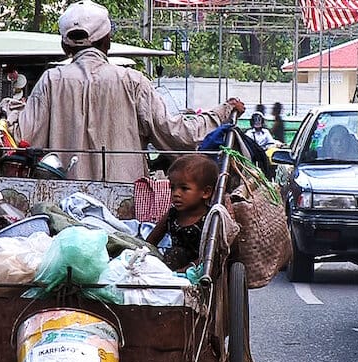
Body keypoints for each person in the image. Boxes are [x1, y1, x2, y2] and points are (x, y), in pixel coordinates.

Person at [14, 0, 244, 183]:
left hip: (61, 202)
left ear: (65, 46)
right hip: (124, 205)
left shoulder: (50, 81)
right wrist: (223, 113)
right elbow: (176, 134)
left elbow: (23, 138)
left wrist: (10, 111)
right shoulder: (132, 80)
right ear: (107, 41)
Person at [145, 154, 218, 272]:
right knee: (174, 253)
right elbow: (150, 242)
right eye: (172, 187)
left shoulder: (210, 218)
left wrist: (184, 271)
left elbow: (210, 256)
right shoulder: (172, 214)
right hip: (173, 266)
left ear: (205, 192)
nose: (176, 193)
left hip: (201, 268)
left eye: (184, 188)